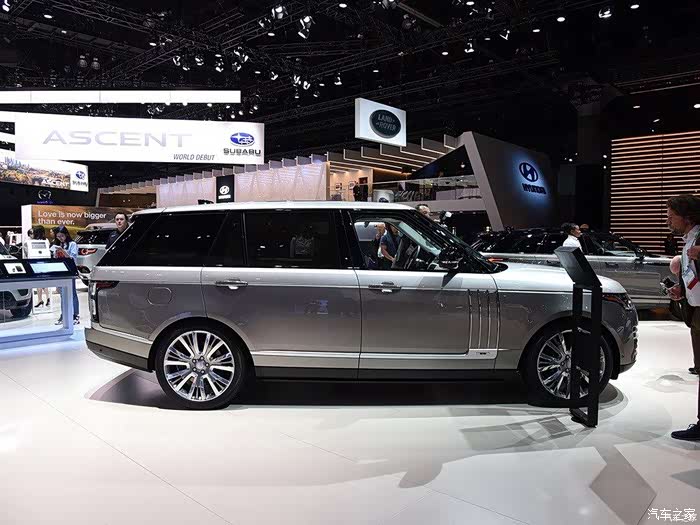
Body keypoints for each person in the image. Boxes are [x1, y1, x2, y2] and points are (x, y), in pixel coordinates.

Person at [666, 194, 700, 441]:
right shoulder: (689, 240)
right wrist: (681, 290)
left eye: (671, 216)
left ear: (687, 217)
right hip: (695, 310)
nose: (668, 220)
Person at [53, 225, 80, 325]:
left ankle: (75, 315)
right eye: (58, 236)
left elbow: (72, 258)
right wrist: (56, 254)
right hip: (60, 271)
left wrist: (63, 251)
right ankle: (63, 315)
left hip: (70, 271)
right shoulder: (58, 244)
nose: (60, 238)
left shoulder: (72, 244)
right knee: (62, 294)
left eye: (62, 236)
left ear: (66, 235)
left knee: (72, 293)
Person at [29, 226, 51, 308]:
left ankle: (40, 299)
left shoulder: (34, 242)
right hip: (44, 263)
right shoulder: (46, 240)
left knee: (39, 282)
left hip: (37, 263)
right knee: (43, 282)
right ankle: (46, 298)